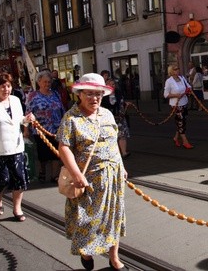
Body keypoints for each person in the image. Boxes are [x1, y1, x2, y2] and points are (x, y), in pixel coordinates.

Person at [56, 73, 127, 270]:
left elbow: (113, 144)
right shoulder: (71, 118)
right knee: (87, 221)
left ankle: (114, 257)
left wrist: (121, 167)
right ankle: (86, 253)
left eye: (98, 94)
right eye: (89, 94)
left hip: (113, 177)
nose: (94, 98)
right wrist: (78, 175)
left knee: (114, 218)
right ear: (79, 94)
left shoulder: (107, 114)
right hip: (88, 181)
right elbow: (64, 147)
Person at [0, 73, 36, 222]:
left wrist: (27, 120)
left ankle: (17, 208)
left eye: (8, 86)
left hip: (16, 148)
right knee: (1, 180)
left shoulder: (15, 101)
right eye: (2, 86)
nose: (6, 89)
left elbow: (19, 120)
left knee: (19, 179)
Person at [26, 70, 66, 183]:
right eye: (45, 82)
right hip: (40, 130)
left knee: (56, 154)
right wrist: (26, 129)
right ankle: (42, 173)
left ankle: (54, 176)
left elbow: (62, 109)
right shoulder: (33, 96)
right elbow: (28, 113)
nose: (47, 84)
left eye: (49, 82)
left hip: (56, 129)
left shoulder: (55, 94)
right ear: (39, 82)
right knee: (42, 155)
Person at [164, 65, 194, 149]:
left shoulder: (182, 78)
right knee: (181, 122)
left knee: (182, 121)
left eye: (178, 69)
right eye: (175, 69)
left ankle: (176, 138)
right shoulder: (169, 81)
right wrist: (175, 95)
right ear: (171, 71)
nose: (178, 70)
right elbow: (165, 94)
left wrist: (188, 90)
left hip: (184, 103)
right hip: (176, 105)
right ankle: (185, 141)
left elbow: (188, 86)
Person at [101, 77, 131, 159]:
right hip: (108, 119)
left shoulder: (118, 93)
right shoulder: (103, 95)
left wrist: (125, 104)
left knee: (122, 135)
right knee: (110, 136)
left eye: (113, 84)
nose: (112, 86)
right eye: (110, 84)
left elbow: (121, 102)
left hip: (120, 117)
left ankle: (124, 153)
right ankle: (113, 154)